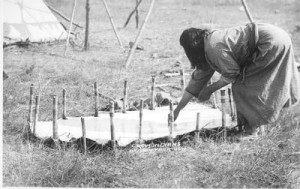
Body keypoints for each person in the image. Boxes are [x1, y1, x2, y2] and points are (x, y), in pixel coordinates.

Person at [174, 23, 300, 136]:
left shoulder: (213, 47)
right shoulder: (208, 45)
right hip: (277, 35)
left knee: (243, 86)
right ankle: (253, 126)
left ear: (192, 47)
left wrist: (209, 90)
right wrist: (177, 109)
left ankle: (251, 132)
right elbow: (196, 82)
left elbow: (232, 73)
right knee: (246, 83)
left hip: (269, 42)